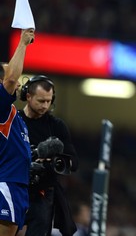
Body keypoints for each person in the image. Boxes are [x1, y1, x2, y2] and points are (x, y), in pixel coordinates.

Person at [17, 75, 79, 236]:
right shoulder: (14, 122)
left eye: (48, 101)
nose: (45, 105)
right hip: (14, 188)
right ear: (28, 96)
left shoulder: (56, 126)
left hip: (43, 194)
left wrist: (51, 162)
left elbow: (73, 162)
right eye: (41, 101)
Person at [0, 28, 35, 236]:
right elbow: (12, 79)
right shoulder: (1, 104)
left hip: (16, 185)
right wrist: (22, 43)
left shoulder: (16, 116)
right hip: (6, 184)